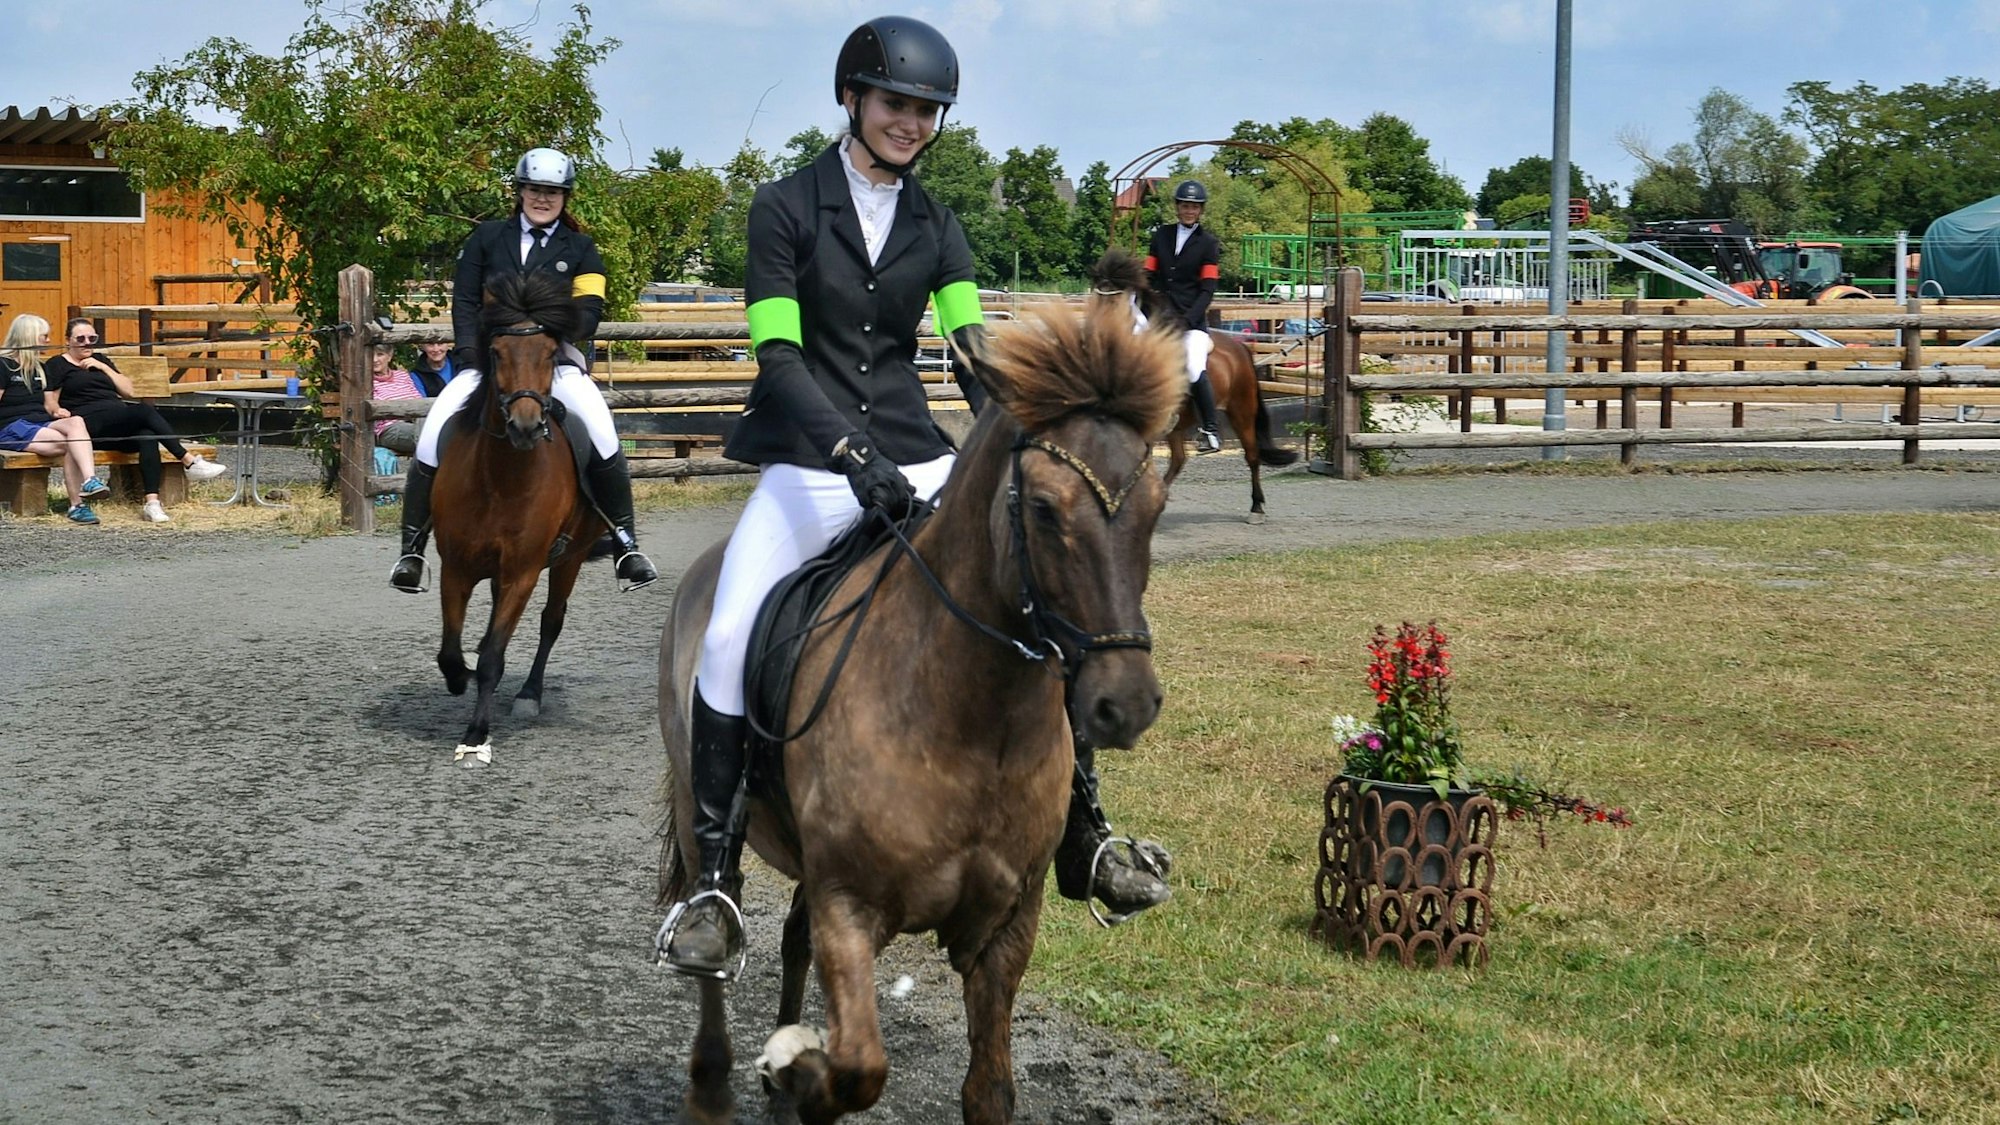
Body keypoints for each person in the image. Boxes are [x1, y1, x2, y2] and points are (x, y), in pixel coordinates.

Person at [660, 15, 1168, 978]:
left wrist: (1024, 416)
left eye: (930, 110)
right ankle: (717, 878)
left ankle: (1086, 832)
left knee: (1027, 583)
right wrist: (845, 451)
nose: (914, 123)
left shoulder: (939, 223)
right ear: (853, 96)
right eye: (898, 103)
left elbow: (973, 347)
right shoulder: (784, 206)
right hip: (810, 459)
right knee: (726, 633)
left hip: (915, 454)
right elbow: (778, 354)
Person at [389, 147, 658, 592]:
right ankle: (412, 548)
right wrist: (474, 359)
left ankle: (625, 541)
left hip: (557, 363)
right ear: (520, 191)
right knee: (434, 430)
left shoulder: (582, 249)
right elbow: (465, 302)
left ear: (565, 197)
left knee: (602, 430)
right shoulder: (486, 239)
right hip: (488, 363)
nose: (543, 198)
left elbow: (590, 312)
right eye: (535, 189)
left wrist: (545, 332)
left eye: (553, 192)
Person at [43, 317, 229, 524]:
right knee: (143, 410)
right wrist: (58, 411)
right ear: (68, 340)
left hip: (117, 421)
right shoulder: (57, 364)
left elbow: (128, 391)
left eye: (92, 338)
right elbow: (51, 401)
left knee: (147, 436)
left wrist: (103, 367)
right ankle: (188, 461)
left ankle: (152, 503)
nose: (87, 342)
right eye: (80, 338)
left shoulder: (101, 360)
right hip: (87, 424)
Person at [0, 314, 109, 524]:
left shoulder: (41, 368)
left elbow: (50, 404)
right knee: (73, 444)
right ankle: (77, 506)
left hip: (39, 422)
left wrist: (58, 411)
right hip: (11, 426)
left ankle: (90, 481)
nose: (49, 341)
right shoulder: (3, 365)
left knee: (76, 422)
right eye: (44, 336)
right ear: (29, 337)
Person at [1145, 179, 1225, 453]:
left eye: (1194, 207)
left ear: (1200, 210)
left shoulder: (1209, 244)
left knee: (1192, 367)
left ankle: (1211, 430)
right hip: (1161, 315)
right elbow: (1149, 274)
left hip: (1192, 320)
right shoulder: (1160, 236)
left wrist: (1187, 319)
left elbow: (1208, 289)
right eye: (1184, 205)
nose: (1189, 210)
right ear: (1177, 207)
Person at [369, 344, 426, 456]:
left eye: (380, 354)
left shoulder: (402, 376)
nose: (375, 360)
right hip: (389, 429)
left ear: (389, 356)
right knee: (429, 436)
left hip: (415, 421)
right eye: (370, 355)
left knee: (431, 427)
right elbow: (381, 409)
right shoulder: (366, 382)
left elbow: (418, 400)